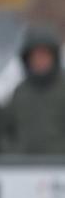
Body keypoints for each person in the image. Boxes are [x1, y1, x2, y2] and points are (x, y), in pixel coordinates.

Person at [4, 25, 65, 154]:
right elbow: (6, 131)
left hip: (59, 167)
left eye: (45, 55)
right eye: (36, 56)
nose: (40, 60)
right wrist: (13, 154)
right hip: (24, 168)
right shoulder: (20, 92)